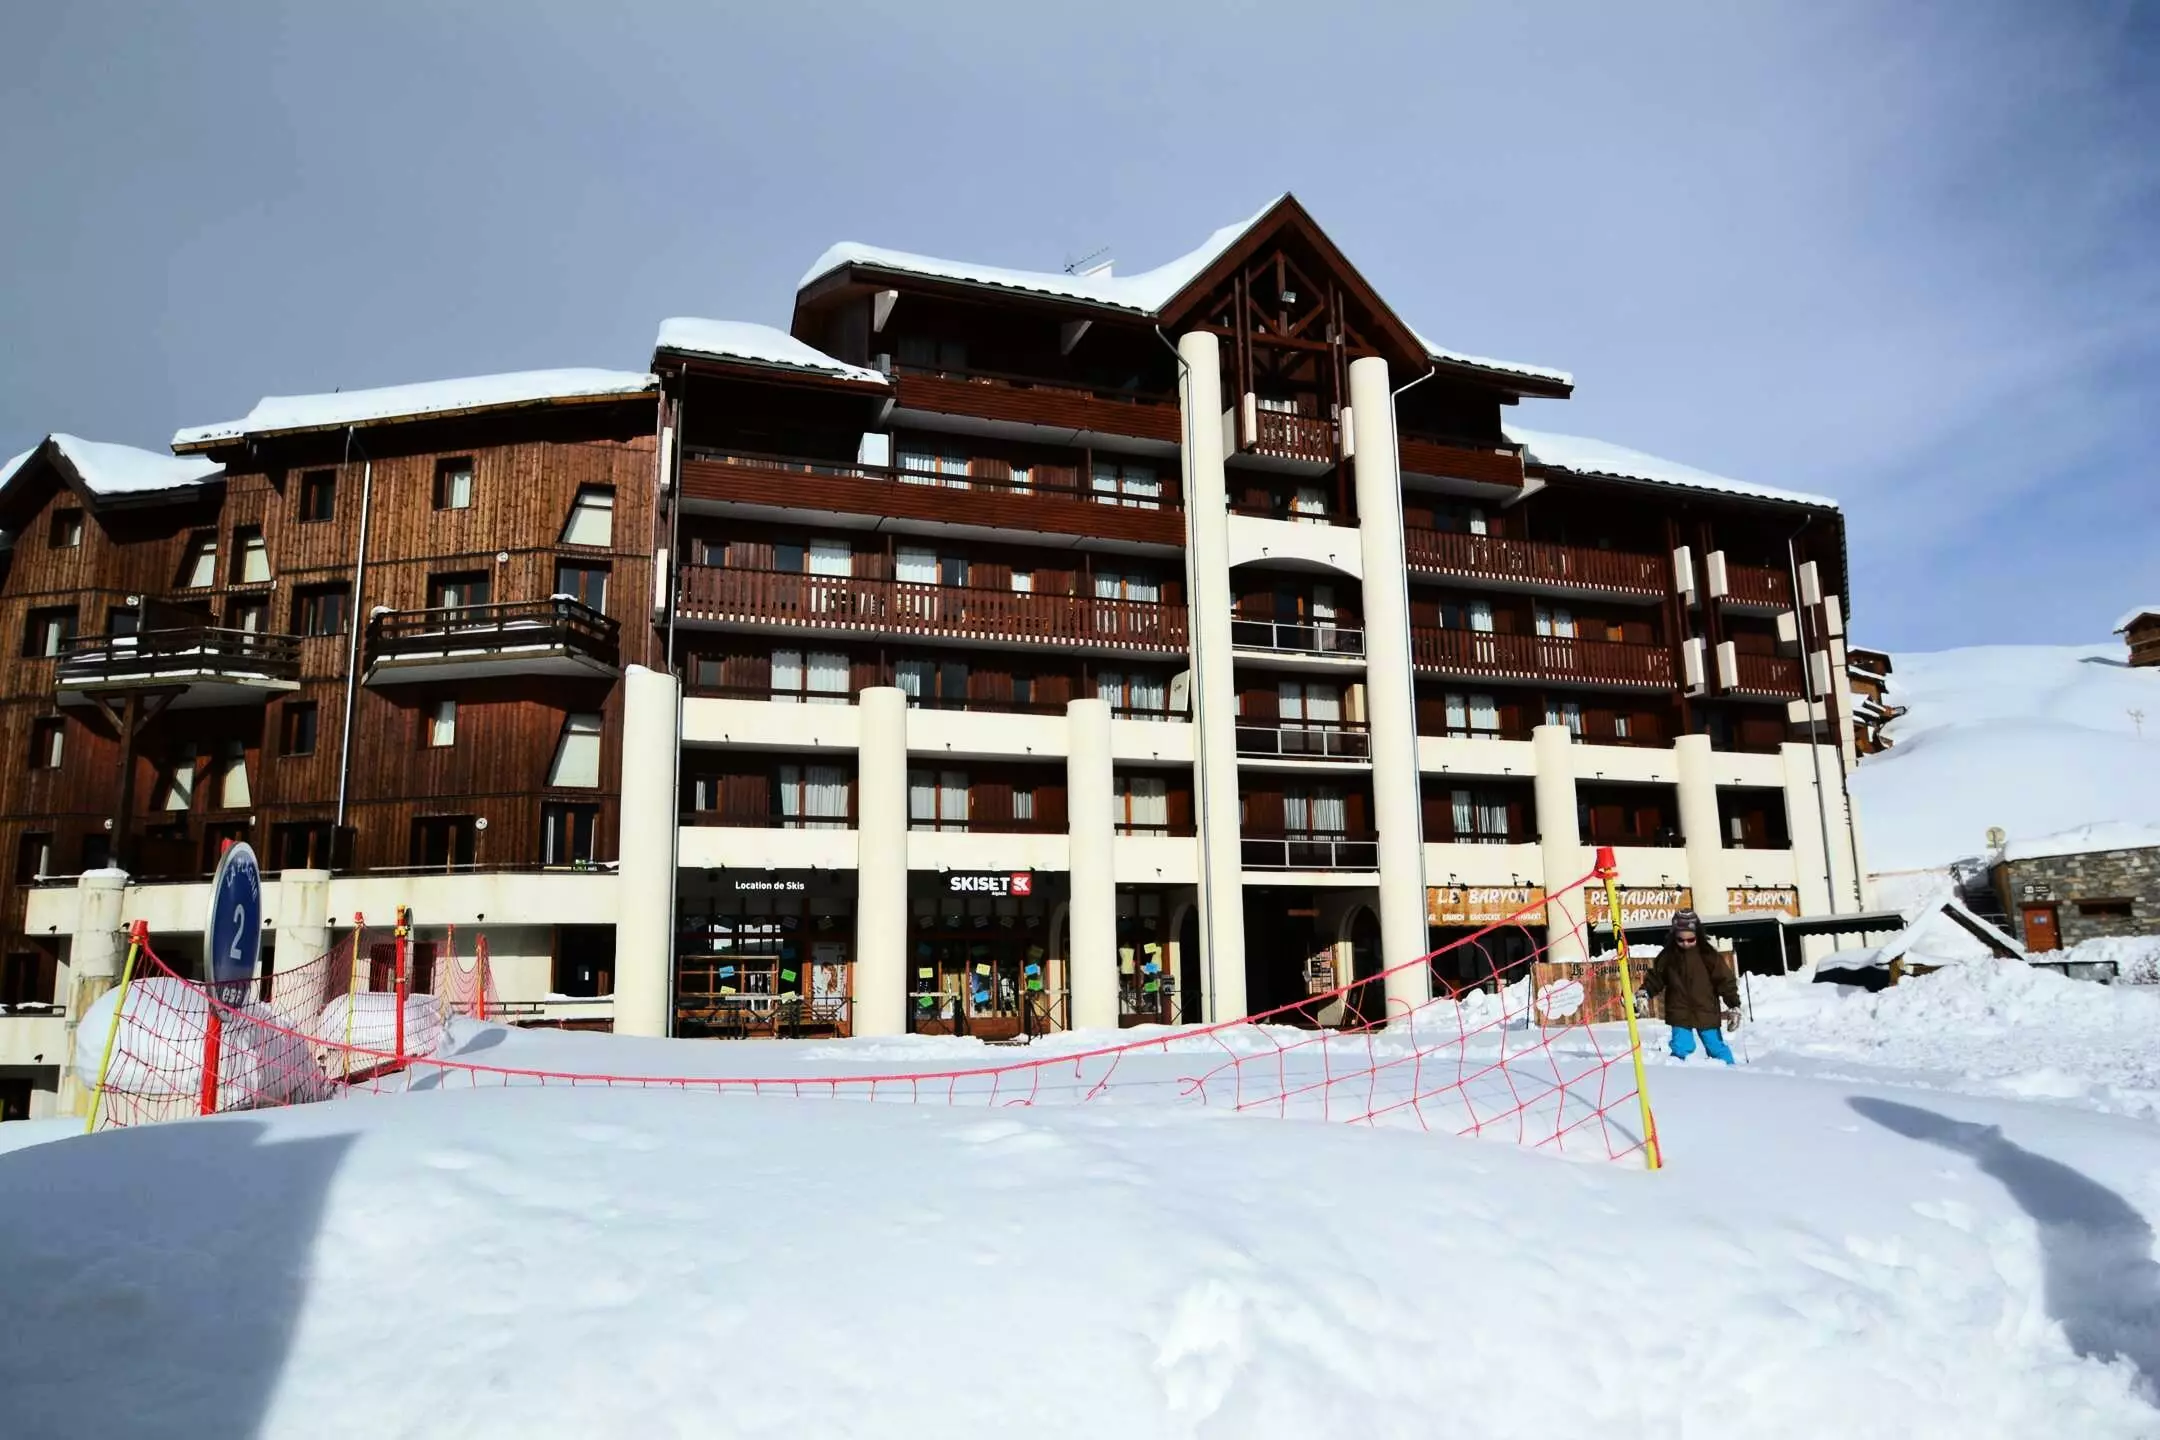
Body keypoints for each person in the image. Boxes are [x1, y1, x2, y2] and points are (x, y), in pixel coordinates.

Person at [1641, 908, 1742, 1064]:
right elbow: (1656, 978)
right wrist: (1644, 992)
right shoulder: (1668, 956)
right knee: (1681, 1047)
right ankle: (1678, 1073)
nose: (1685, 943)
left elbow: (1725, 981)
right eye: (1680, 940)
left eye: (1690, 940)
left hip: (1706, 1009)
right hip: (1679, 1010)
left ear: (1698, 935)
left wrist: (1734, 1005)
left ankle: (1730, 1071)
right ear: (1674, 936)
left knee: (1715, 1047)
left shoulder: (1708, 955)